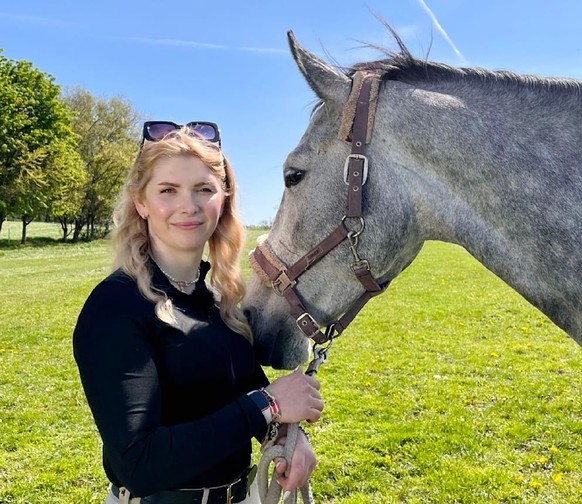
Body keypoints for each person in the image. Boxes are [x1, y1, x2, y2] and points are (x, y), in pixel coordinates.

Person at [73, 121, 323, 504]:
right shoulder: (115, 306)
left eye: (203, 189)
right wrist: (270, 406)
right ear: (141, 202)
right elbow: (138, 464)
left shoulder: (216, 300)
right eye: (168, 190)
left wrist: (289, 433)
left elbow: (246, 392)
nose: (188, 206)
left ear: (222, 200)